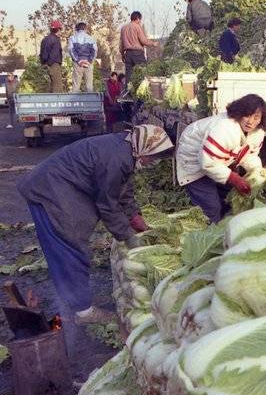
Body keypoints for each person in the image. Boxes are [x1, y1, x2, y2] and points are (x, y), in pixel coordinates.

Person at [17, 125, 173, 324]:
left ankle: (76, 300)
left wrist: (134, 216)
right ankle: (84, 312)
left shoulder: (126, 148)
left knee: (71, 246)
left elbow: (122, 188)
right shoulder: (118, 157)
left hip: (60, 186)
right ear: (144, 148)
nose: (153, 162)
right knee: (68, 247)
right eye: (153, 157)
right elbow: (107, 204)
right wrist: (129, 237)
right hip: (50, 192)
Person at [176, 93, 266, 223]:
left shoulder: (258, 132)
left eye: (256, 117)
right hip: (194, 160)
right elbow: (208, 163)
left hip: (215, 159)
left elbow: (249, 155)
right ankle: (208, 235)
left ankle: (223, 226)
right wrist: (234, 178)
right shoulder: (225, 128)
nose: (251, 122)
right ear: (239, 112)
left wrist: (257, 172)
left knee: (227, 197)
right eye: (247, 115)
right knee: (210, 208)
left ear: (262, 119)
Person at [120, 11, 155, 88]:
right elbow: (143, 41)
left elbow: (121, 44)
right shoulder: (137, 26)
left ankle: (128, 93)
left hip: (128, 54)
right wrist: (153, 43)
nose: (140, 22)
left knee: (128, 75)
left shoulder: (123, 28)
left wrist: (122, 54)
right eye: (140, 20)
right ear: (137, 18)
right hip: (137, 53)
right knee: (142, 73)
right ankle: (142, 92)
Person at [68, 22, 97, 92]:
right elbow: (95, 51)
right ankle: (90, 102)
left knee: (76, 85)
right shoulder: (91, 38)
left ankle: (74, 102)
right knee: (89, 86)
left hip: (77, 64)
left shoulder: (72, 38)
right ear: (85, 28)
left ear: (76, 29)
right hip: (88, 64)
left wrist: (78, 60)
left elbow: (71, 50)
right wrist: (89, 61)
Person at [39, 20, 64, 93]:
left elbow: (41, 52)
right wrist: (50, 63)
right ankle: (57, 102)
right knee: (57, 87)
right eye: (60, 29)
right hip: (54, 64)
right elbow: (54, 54)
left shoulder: (45, 39)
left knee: (49, 85)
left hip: (44, 64)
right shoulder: (56, 40)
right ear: (58, 30)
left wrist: (44, 64)